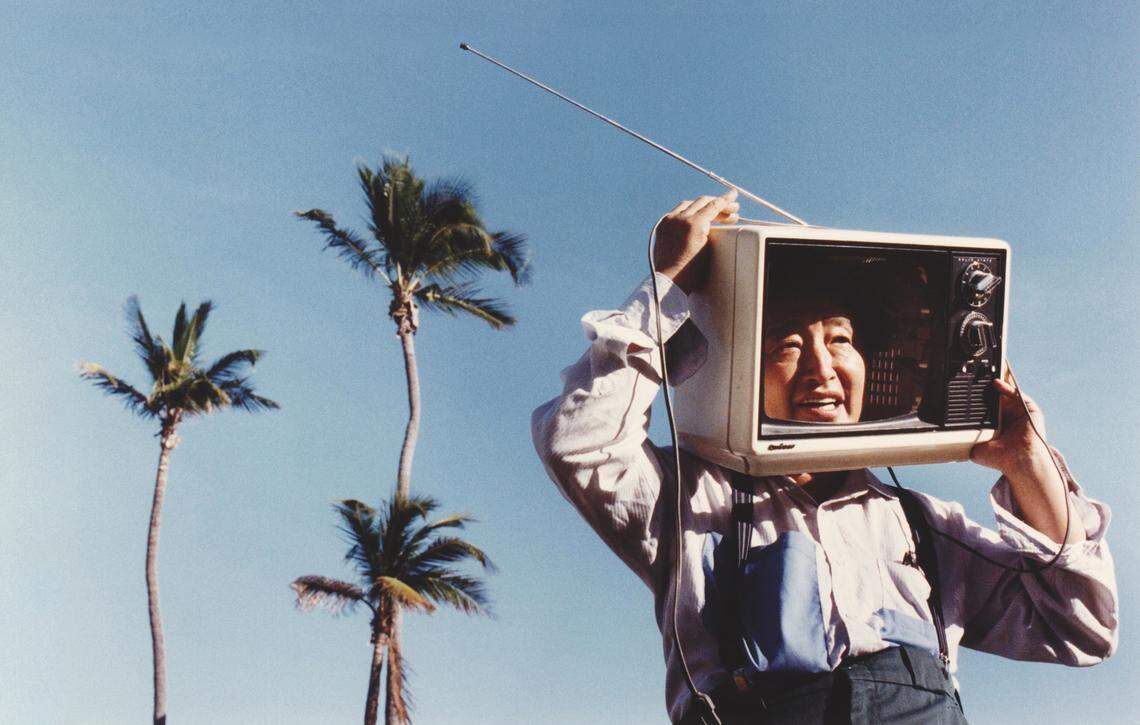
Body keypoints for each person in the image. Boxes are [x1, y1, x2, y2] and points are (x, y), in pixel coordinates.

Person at [531, 190, 1118, 724]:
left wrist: (1027, 463)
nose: (823, 366)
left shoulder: (920, 525)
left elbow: (1080, 627)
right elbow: (580, 443)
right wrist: (666, 286)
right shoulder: (685, 496)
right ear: (741, 370)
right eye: (788, 343)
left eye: (840, 339)